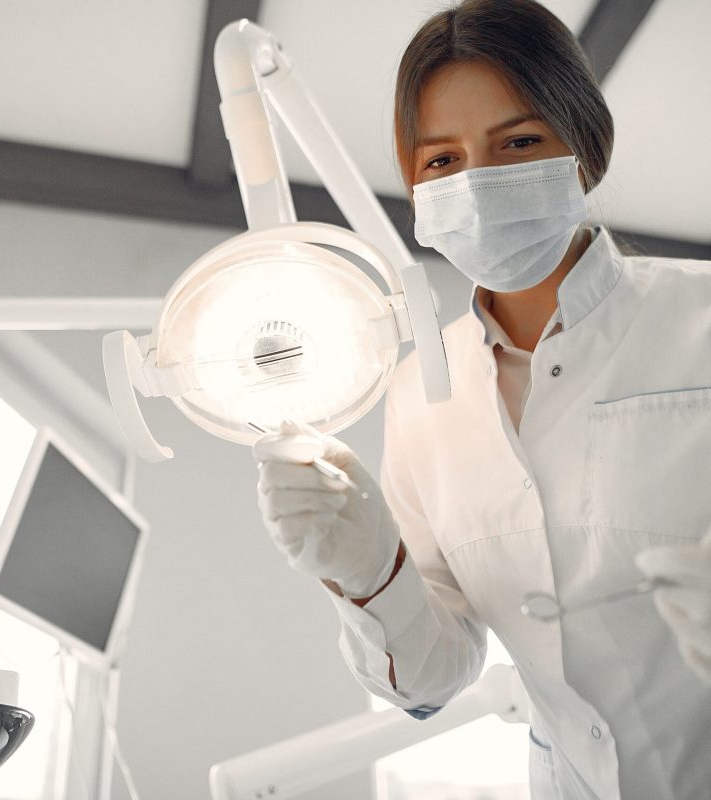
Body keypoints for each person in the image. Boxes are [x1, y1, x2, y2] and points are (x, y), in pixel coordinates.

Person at [253, 1, 711, 798]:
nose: (479, 183)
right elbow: (434, 672)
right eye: (442, 161)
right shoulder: (418, 397)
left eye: (520, 143)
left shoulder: (699, 320)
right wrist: (369, 575)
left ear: (585, 151)